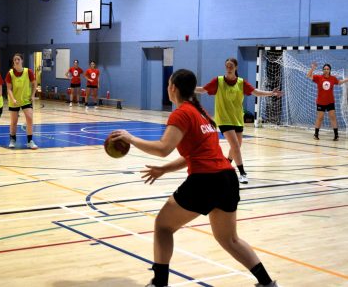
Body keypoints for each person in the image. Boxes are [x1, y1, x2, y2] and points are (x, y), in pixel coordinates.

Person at [112, 69, 277, 287]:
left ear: (173, 88)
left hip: (206, 181)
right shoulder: (204, 115)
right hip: (227, 178)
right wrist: (164, 170)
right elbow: (196, 155)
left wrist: (130, 138)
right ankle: (267, 284)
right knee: (230, 239)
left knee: (163, 226)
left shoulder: (181, 114)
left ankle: (159, 283)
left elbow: (163, 148)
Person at [195, 58, 282, 184]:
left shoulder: (241, 83)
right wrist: (187, 89)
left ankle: (225, 166)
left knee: (236, 146)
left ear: (236, 67)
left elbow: (256, 92)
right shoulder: (218, 81)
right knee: (235, 145)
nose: (228, 68)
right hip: (224, 118)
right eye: (227, 66)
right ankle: (242, 173)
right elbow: (203, 90)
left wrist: (271, 93)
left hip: (237, 119)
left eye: (231, 66)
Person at [306, 62, 348, 141]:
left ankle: (336, 135)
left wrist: (346, 79)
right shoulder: (318, 77)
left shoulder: (333, 78)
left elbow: (339, 82)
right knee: (320, 118)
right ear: (323, 70)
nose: (326, 70)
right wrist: (312, 68)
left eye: (327, 69)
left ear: (330, 70)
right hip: (320, 102)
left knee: (333, 117)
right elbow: (308, 76)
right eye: (324, 69)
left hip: (330, 102)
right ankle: (316, 134)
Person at [6, 53, 38, 149]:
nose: (16, 61)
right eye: (15, 59)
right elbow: (8, 89)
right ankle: (12, 139)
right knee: (14, 121)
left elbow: (34, 84)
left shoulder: (28, 72)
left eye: (18, 59)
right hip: (14, 101)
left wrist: (32, 95)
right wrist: (12, 99)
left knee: (29, 118)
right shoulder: (10, 73)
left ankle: (30, 141)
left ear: (22, 60)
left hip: (26, 100)